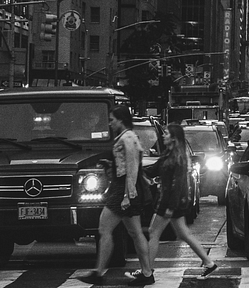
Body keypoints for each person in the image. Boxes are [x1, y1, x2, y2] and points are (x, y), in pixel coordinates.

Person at [80, 106, 155, 285]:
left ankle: (99, 272)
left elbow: (132, 167)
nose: (110, 123)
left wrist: (127, 195)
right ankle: (146, 273)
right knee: (135, 233)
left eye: (113, 120)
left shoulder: (128, 138)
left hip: (123, 189)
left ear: (121, 120)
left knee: (105, 230)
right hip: (123, 188)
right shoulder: (126, 137)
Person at [133, 124, 217, 280]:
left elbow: (177, 185)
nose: (163, 136)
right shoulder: (168, 155)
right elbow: (152, 170)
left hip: (169, 203)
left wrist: (170, 207)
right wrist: (136, 165)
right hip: (170, 202)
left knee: (153, 232)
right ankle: (209, 263)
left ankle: (147, 271)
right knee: (183, 234)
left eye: (166, 134)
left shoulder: (178, 158)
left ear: (174, 138)